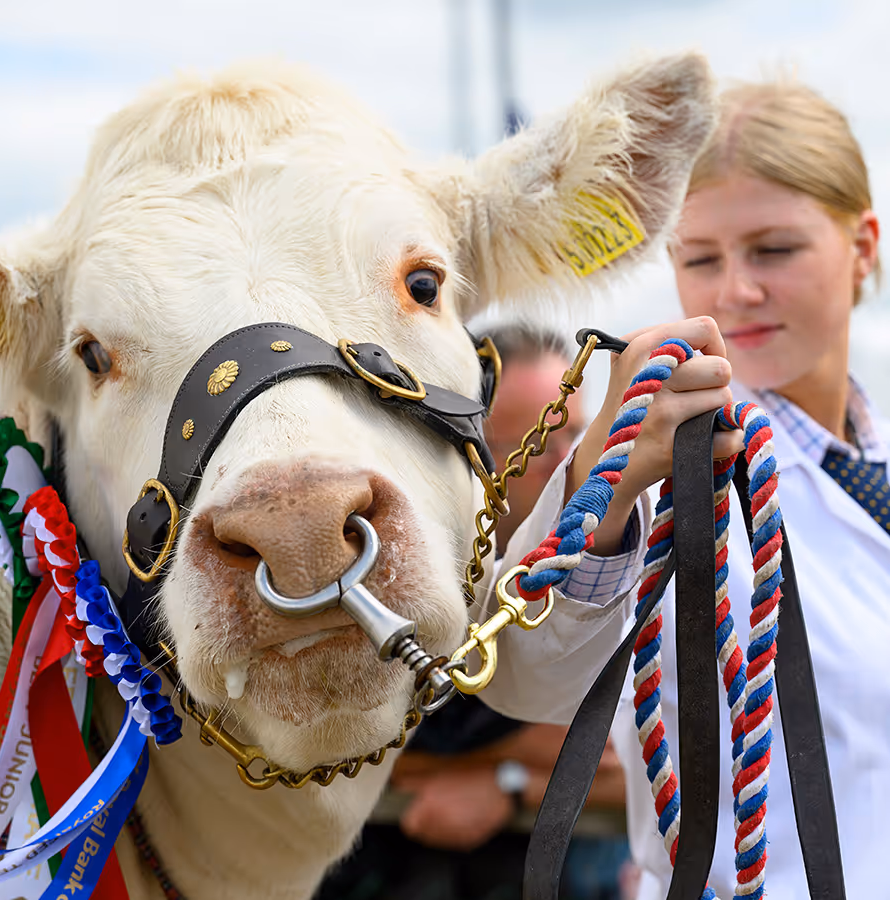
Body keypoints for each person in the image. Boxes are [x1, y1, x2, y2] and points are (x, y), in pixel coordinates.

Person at [483, 79, 887, 899]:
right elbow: (526, 676)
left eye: (774, 249)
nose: (735, 291)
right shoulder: (680, 471)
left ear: (863, 246)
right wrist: (611, 474)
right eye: (701, 258)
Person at [316, 327, 634, 900]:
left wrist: (503, 782)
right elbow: (337, 754)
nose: (570, 463)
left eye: (578, 434)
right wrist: (525, 750)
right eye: (542, 439)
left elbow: (625, 766)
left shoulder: (606, 566)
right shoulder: (388, 570)